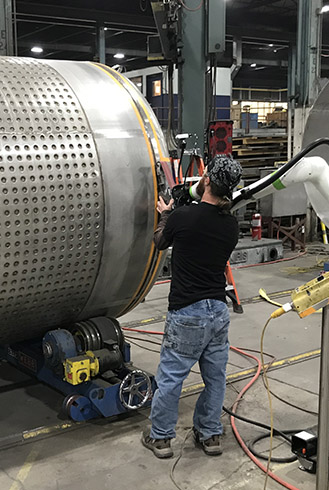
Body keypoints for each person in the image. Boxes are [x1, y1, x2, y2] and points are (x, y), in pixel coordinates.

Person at [141, 154, 242, 459]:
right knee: (215, 377)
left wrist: (166, 214)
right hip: (217, 311)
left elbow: (160, 241)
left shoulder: (184, 217)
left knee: (171, 377)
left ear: (207, 179)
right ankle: (210, 435)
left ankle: (160, 438)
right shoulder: (231, 226)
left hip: (188, 312)